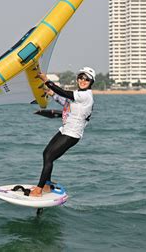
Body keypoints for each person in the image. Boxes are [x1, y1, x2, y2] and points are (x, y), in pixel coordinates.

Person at [30, 67, 95, 197]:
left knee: (49, 157)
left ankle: (38, 190)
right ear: (77, 79)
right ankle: (46, 185)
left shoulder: (86, 95)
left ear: (91, 82)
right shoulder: (78, 94)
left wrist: (47, 80)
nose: (83, 80)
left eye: (86, 79)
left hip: (72, 134)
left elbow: (64, 93)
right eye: (81, 77)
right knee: (46, 154)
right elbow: (66, 102)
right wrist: (51, 93)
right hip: (65, 130)